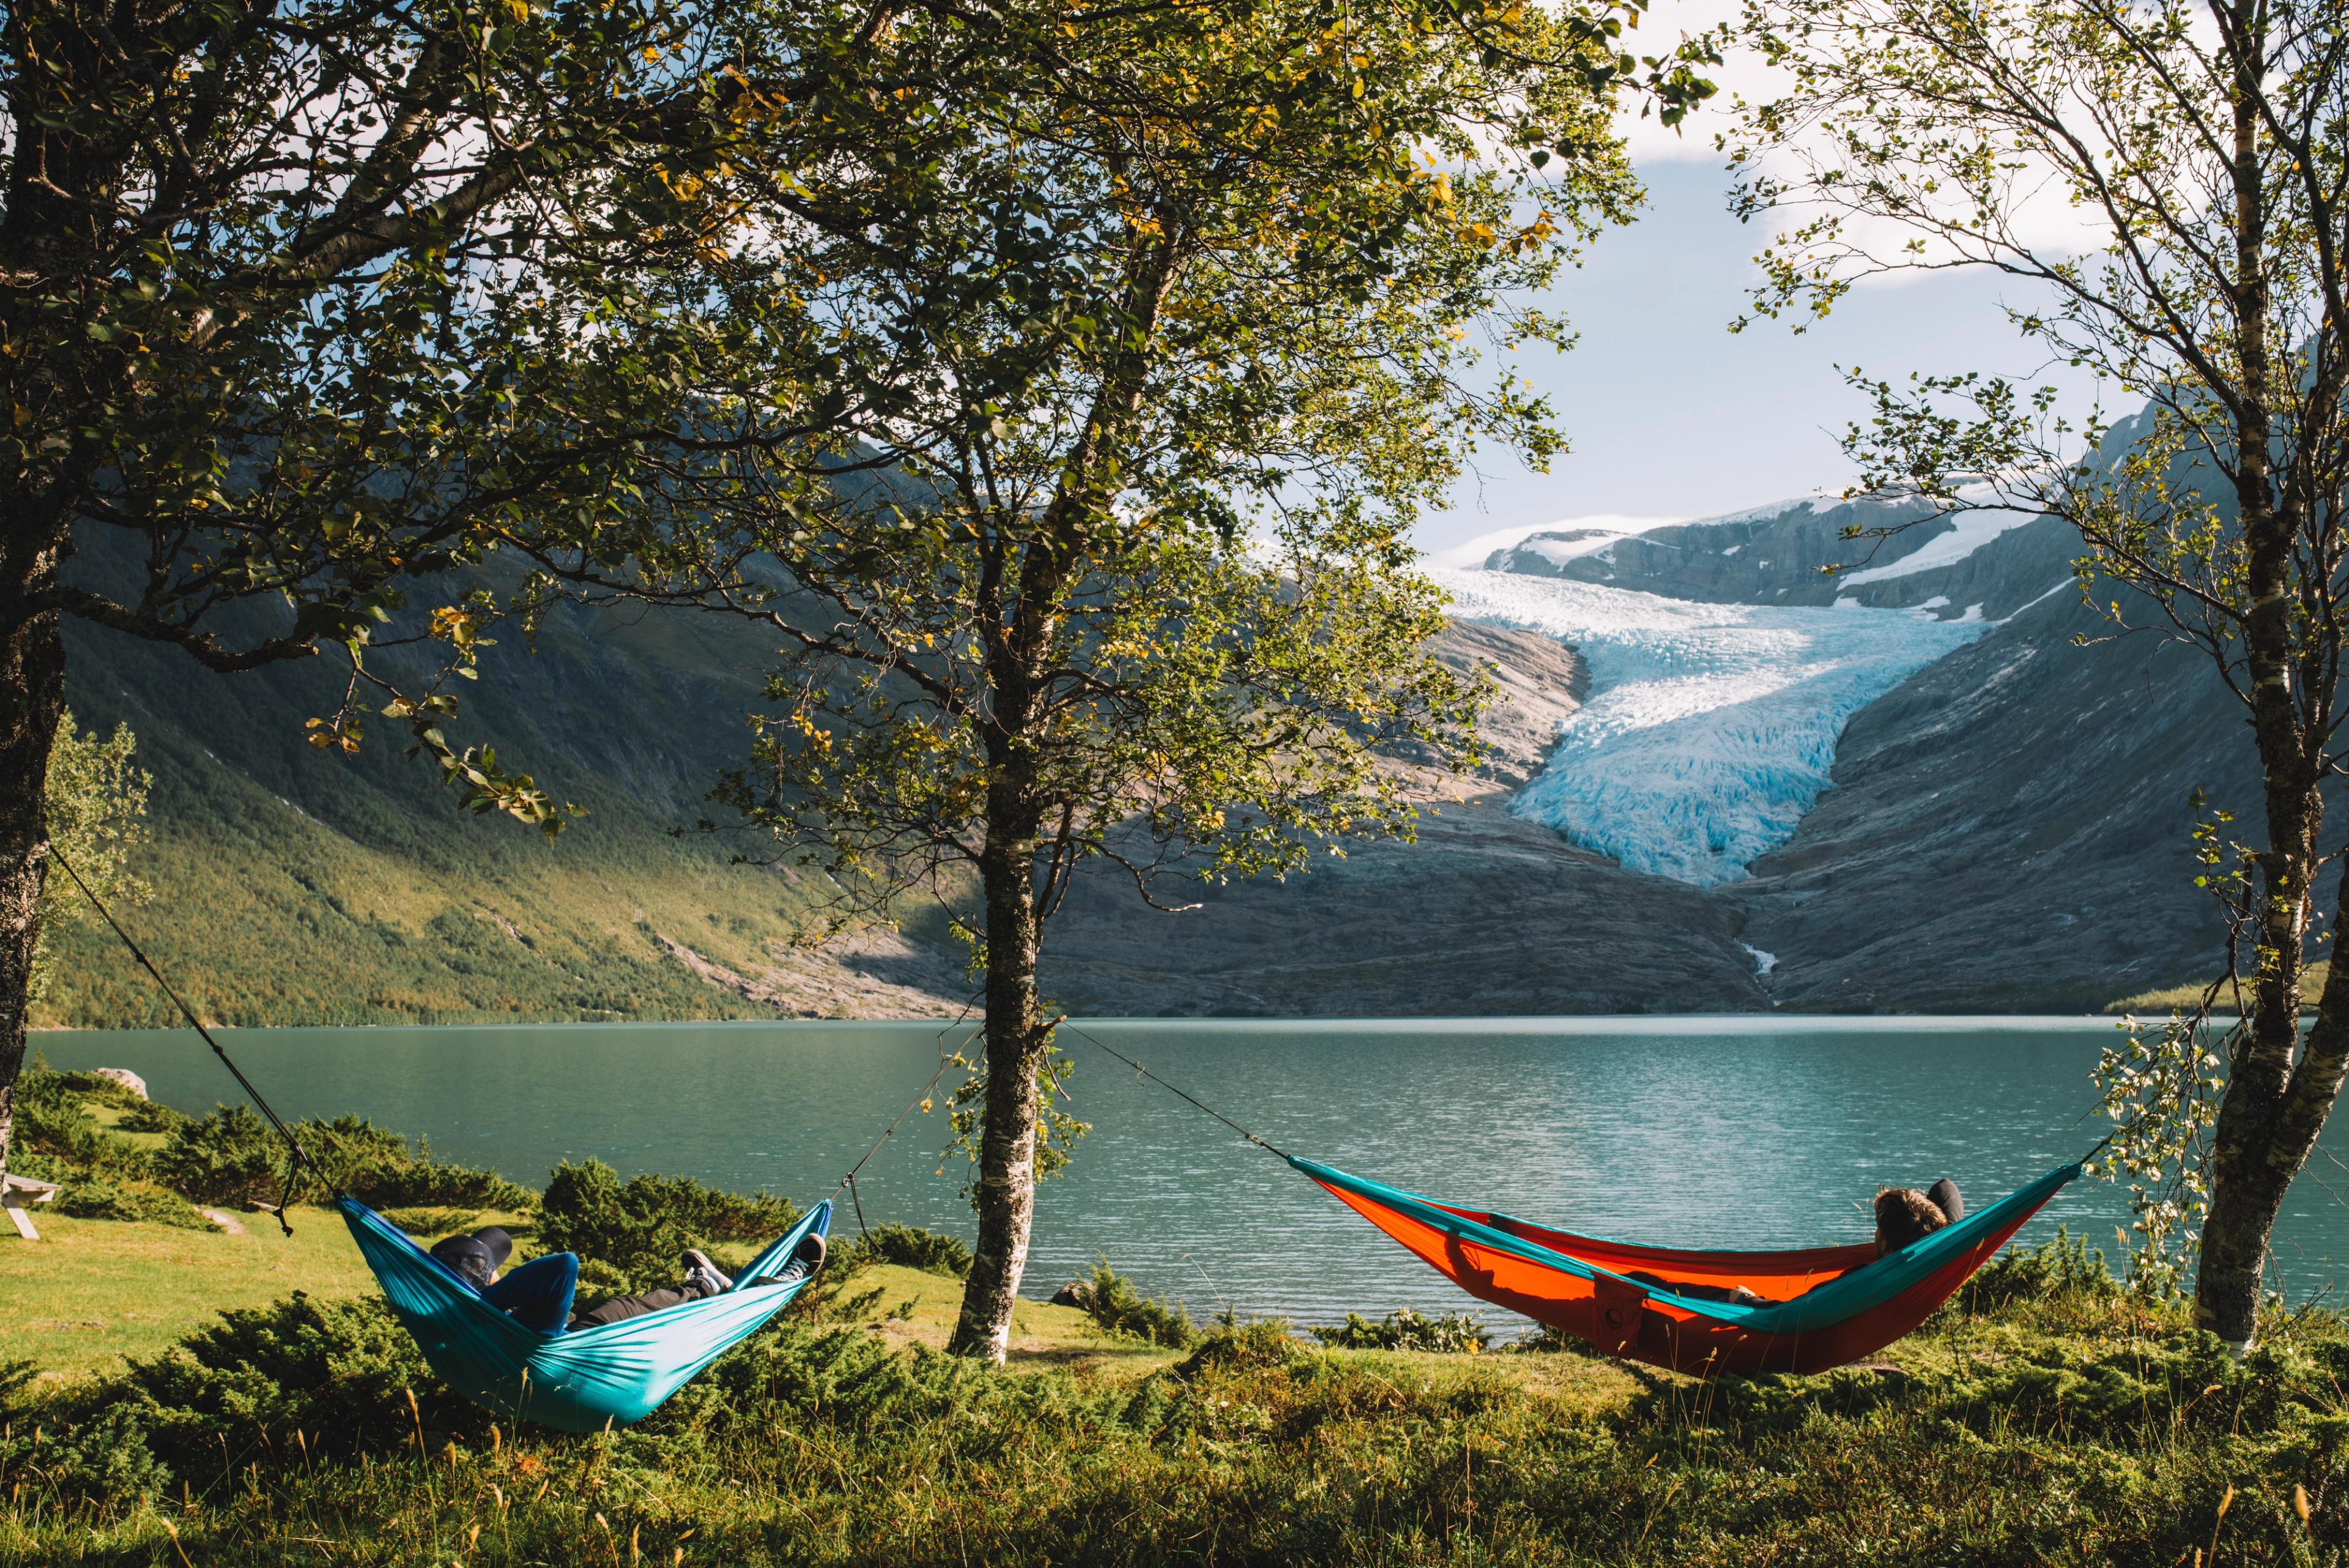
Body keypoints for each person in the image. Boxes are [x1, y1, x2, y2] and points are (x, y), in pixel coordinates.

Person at [428, 1226, 827, 1335]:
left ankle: (703, 1285)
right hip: (575, 1348)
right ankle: (725, 1287)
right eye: (493, 1266)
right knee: (639, 1307)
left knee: (645, 1302)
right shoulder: (501, 1317)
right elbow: (564, 1266)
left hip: (571, 1336)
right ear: (484, 1278)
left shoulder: (448, 1326)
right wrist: (492, 1300)